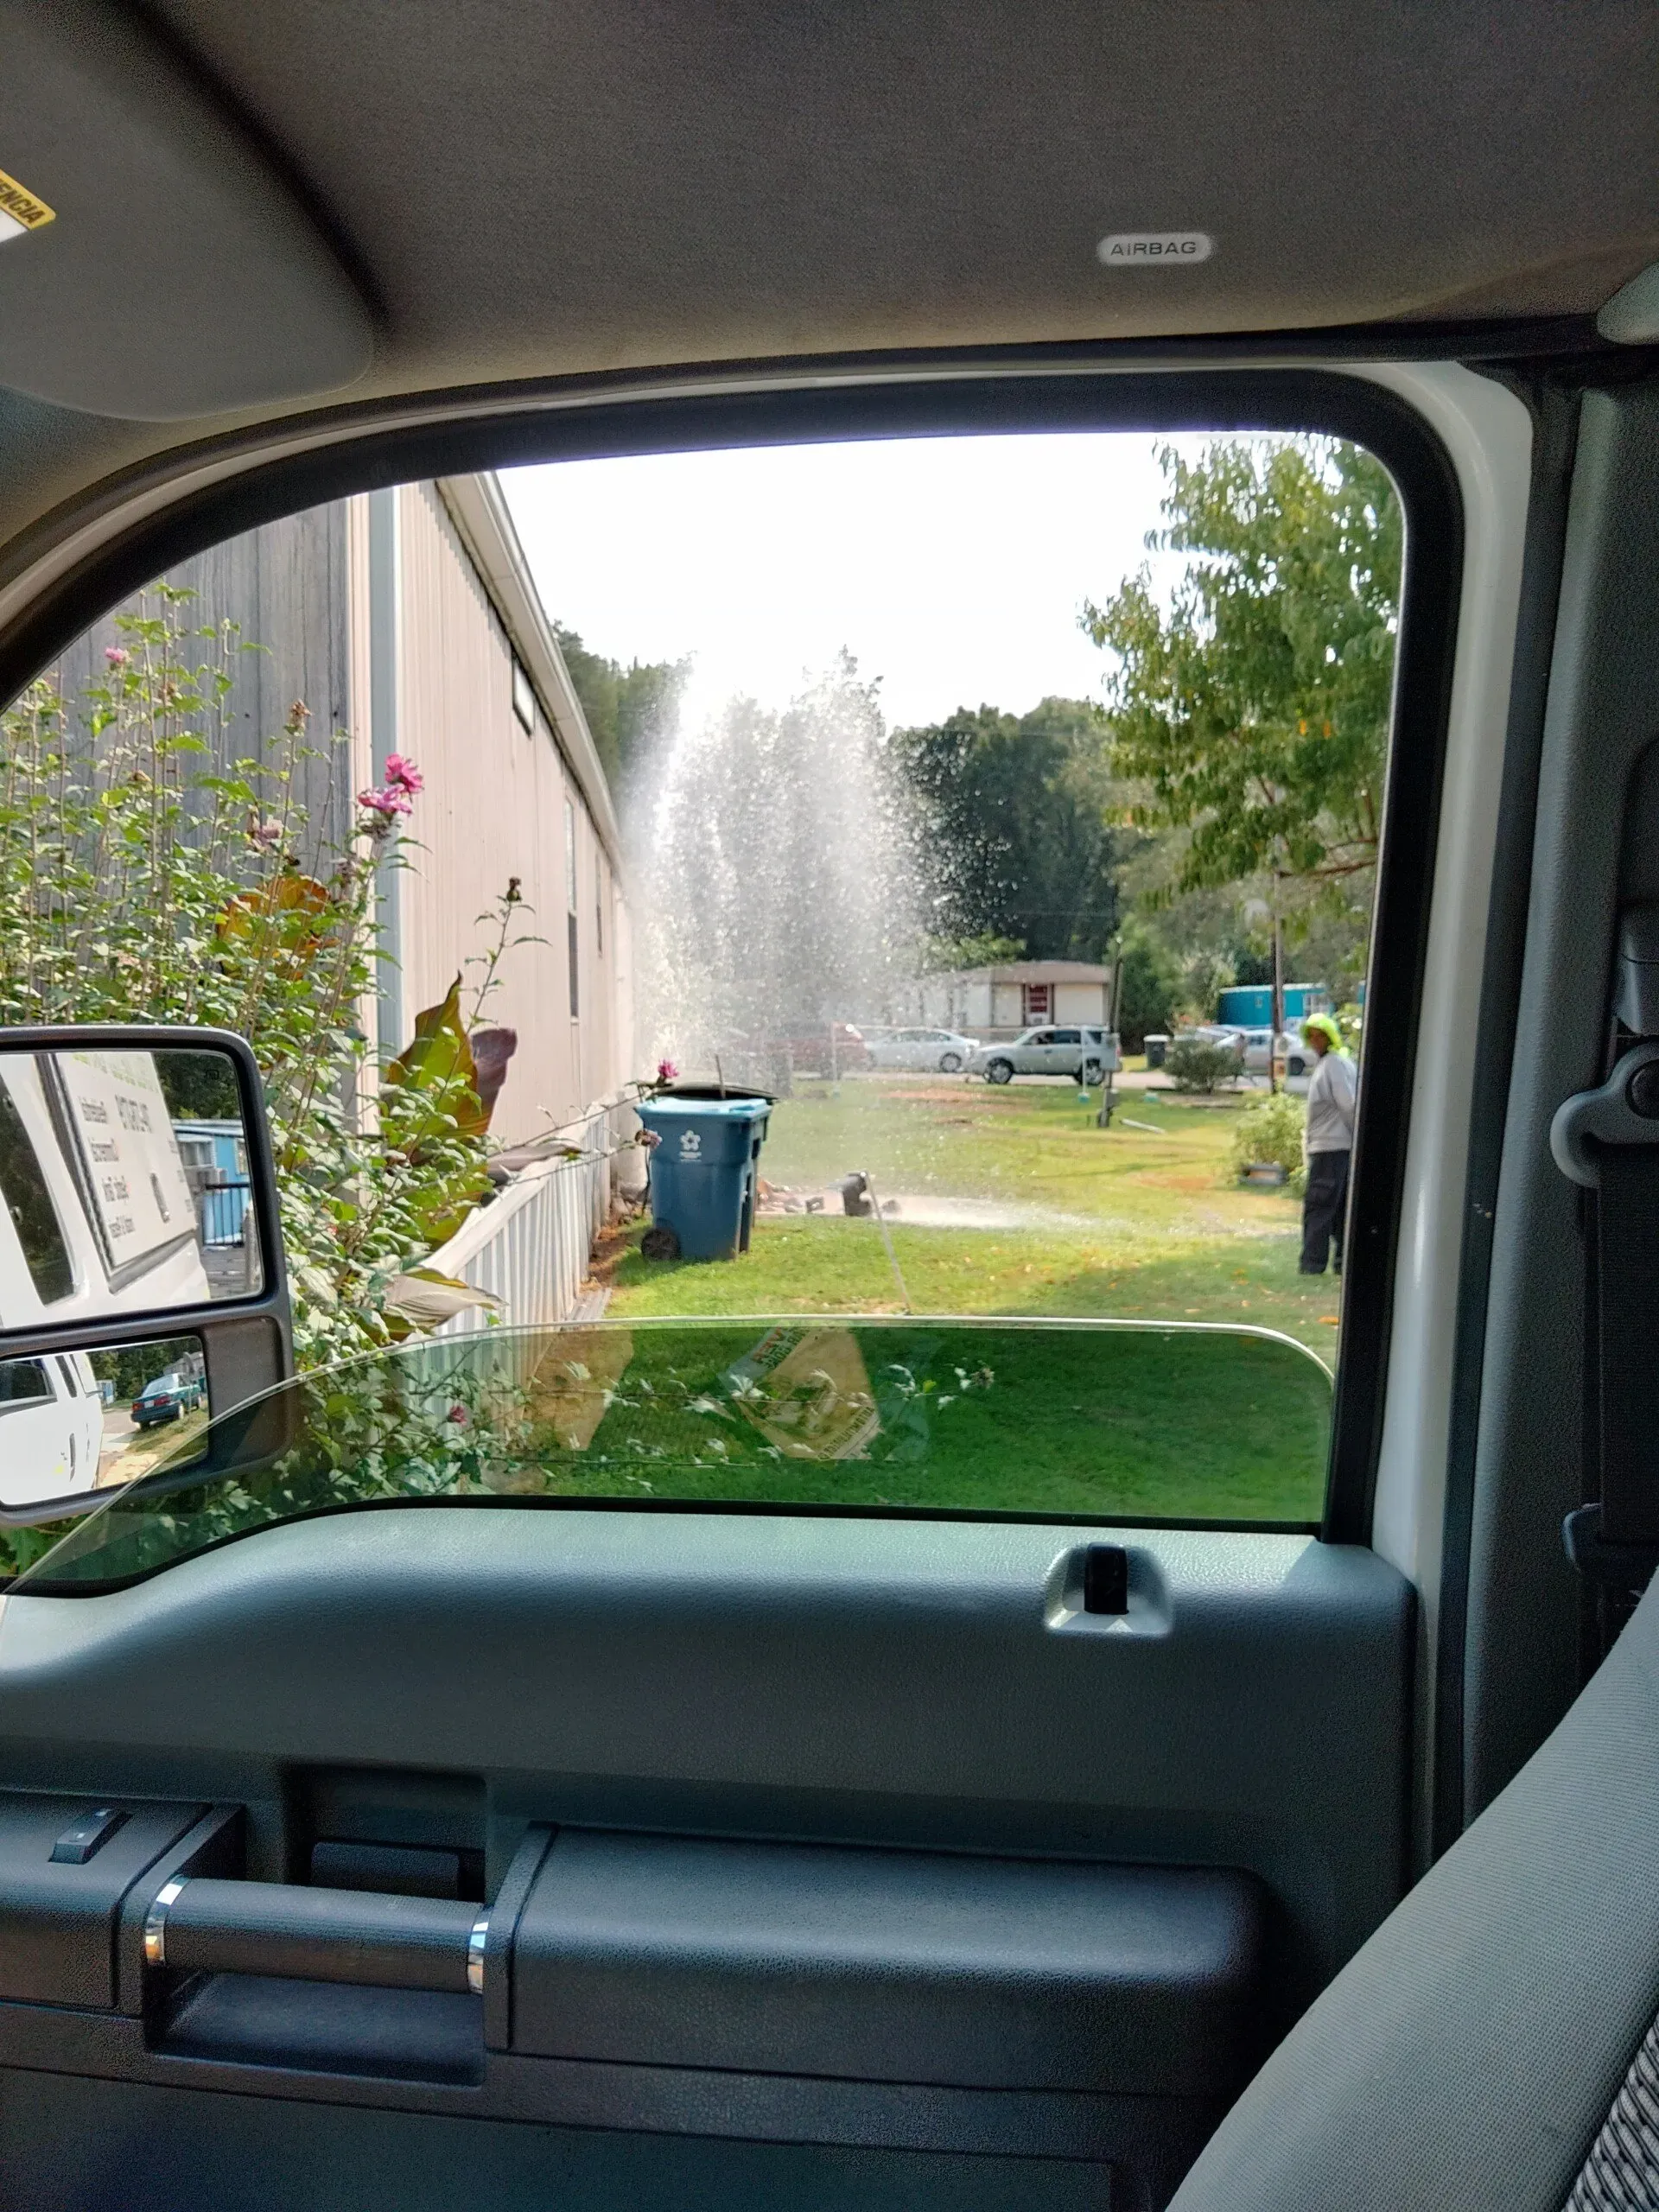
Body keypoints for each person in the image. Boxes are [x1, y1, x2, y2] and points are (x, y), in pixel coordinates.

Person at [1299, 1014, 1356, 1276]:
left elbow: (1347, 1104)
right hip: (1334, 1147)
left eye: (1319, 1035)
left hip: (1330, 1148)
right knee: (1339, 1210)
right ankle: (1342, 1263)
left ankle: (1312, 1264)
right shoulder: (1332, 1064)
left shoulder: (1332, 1064)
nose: (1314, 1040)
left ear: (1329, 1037)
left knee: (1319, 1207)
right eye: (1310, 1035)